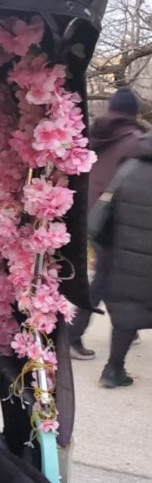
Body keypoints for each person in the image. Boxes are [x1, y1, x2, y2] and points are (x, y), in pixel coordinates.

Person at [70, 87, 148, 359]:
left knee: (110, 275)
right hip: (113, 220)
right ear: (133, 113)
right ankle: (73, 334)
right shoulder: (133, 142)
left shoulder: (96, 133)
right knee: (105, 278)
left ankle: (127, 328)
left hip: (92, 214)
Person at [99, 136, 152, 387]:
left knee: (127, 316)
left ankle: (113, 369)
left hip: (127, 260)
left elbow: (103, 217)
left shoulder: (128, 169)